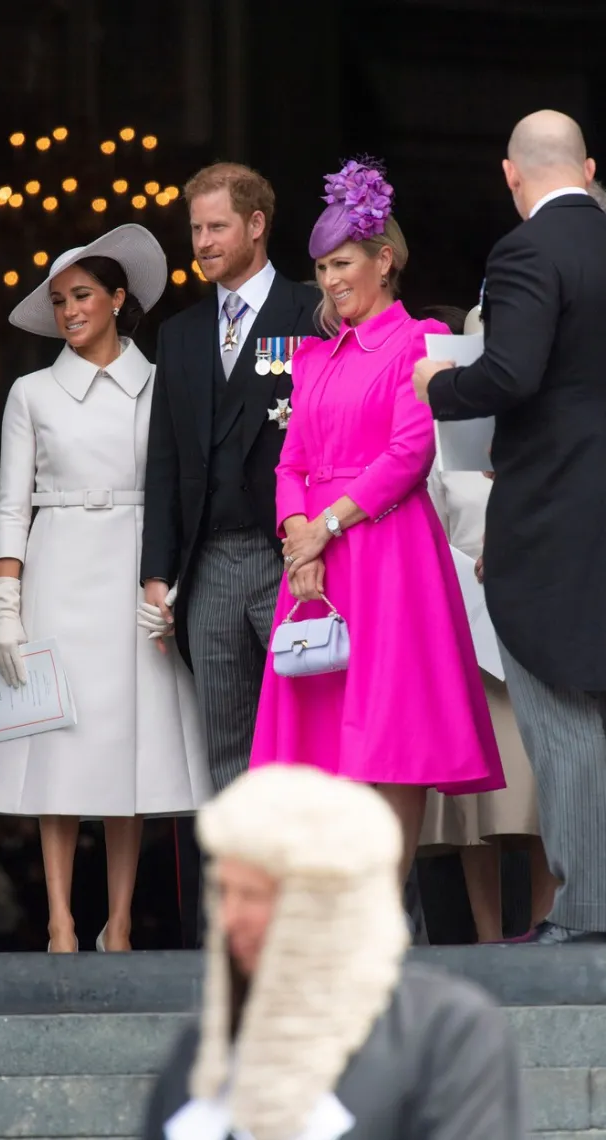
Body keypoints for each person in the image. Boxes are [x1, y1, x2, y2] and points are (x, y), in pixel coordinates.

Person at [250, 159, 504, 883]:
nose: (329, 280)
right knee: (324, 746)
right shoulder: (314, 358)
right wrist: (298, 540)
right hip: (319, 560)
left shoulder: (417, 341)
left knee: (390, 741)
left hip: (388, 551)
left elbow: (407, 454)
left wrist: (322, 527)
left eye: (342, 263)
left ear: (383, 260)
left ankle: (386, 908)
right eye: (322, 267)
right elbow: (289, 461)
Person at [0, 225, 211, 954]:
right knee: (59, 741)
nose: (69, 311)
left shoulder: (159, 383)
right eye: (60, 301)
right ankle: (59, 921)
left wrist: (167, 580)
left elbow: (174, 488)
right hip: (58, 563)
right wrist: (5, 606)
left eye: (81, 296)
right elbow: (12, 503)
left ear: (117, 299)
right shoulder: (31, 392)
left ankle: (120, 921)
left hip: (136, 567)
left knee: (124, 743)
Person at [414, 109, 606, 946]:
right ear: (590, 168)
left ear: (510, 175)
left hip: (557, 520)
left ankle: (590, 911)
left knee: (561, 716)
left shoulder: (528, 251)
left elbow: (512, 372)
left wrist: (437, 385)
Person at [143, 765, 525, 1140]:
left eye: (252, 896)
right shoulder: (201, 1046)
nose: (229, 918)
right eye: (224, 893)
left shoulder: (445, 1034)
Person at [139, 163, 318, 794]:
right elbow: (164, 460)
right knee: (224, 752)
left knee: (311, 741)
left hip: (289, 558)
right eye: (196, 229)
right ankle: (240, 895)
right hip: (208, 561)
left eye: (218, 226)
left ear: (257, 224)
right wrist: (157, 573)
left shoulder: (313, 312)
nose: (204, 242)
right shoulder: (180, 334)